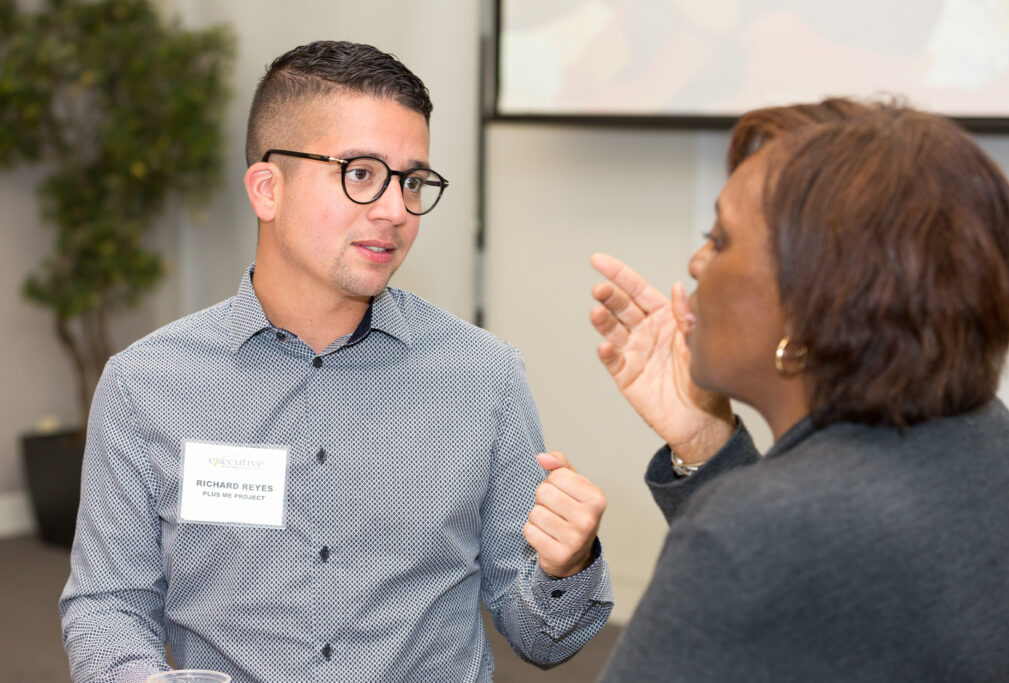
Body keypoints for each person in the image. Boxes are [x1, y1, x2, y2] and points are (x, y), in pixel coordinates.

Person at [59, 40, 612, 683]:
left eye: (412, 181)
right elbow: (106, 606)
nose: (395, 211)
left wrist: (565, 566)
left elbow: (545, 638)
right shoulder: (145, 385)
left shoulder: (483, 378)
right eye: (360, 174)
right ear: (268, 189)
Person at [589, 99, 1009, 681]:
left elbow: (772, 549)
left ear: (815, 298)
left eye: (719, 239)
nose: (696, 262)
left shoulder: (749, 532)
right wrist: (707, 444)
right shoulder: (985, 431)